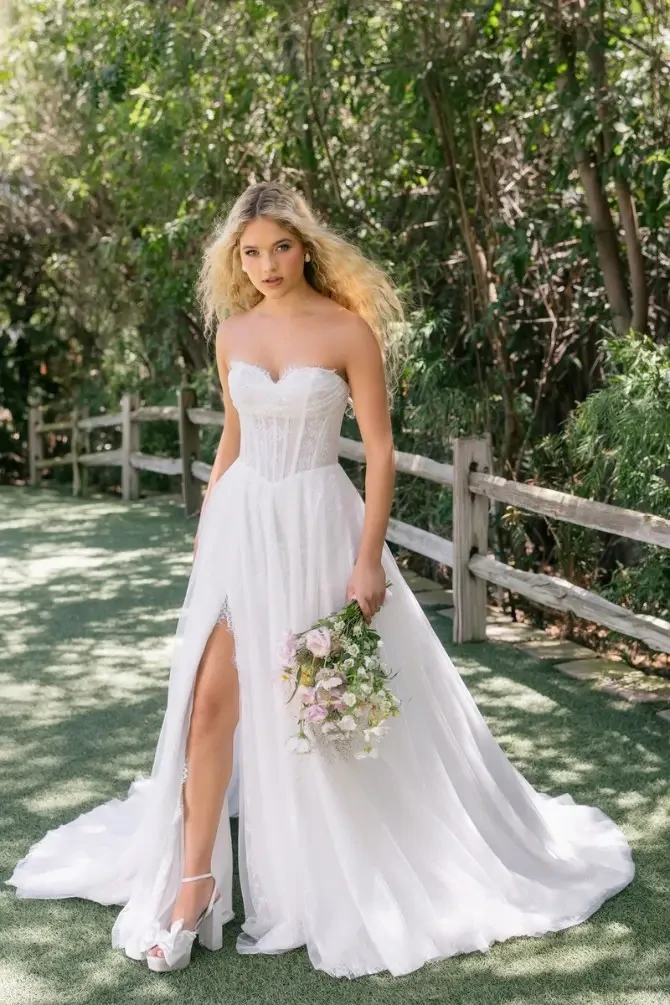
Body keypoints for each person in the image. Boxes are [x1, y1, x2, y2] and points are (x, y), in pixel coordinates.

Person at [7, 181, 634, 980]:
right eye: (250, 251)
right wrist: (207, 532)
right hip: (241, 528)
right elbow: (232, 439)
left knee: (313, 698)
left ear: (306, 246)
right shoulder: (232, 334)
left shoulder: (347, 330)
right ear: (236, 259)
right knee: (209, 701)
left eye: (280, 247)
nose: (266, 264)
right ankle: (192, 890)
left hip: (317, 526)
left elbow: (377, 451)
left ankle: (331, 860)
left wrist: (367, 558)